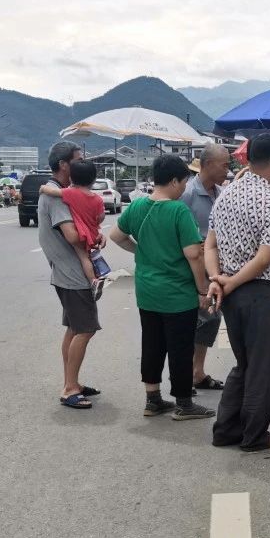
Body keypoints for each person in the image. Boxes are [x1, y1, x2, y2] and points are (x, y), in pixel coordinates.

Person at [107, 155, 215, 422]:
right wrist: (203, 290)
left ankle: (153, 399)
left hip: (147, 290)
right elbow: (193, 254)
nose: (184, 188)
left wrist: (140, 251)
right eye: (184, 182)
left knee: (152, 344)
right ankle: (184, 404)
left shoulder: (137, 206)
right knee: (180, 347)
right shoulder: (178, 211)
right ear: (175, 180)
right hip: (177, 294)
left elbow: (116, 236)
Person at [204, 133, 270, 452]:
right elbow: (266, 256)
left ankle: (226, 429)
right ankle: (255, 435)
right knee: (263, 366)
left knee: (244, 363)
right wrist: (232, 281)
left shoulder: (225, 195)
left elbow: (210, 245)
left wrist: (218, 278)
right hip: (259, 293)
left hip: (232, 293)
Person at [38, 140, 104, 410]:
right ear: (64, 165)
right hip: (73, 275)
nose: (81, 163)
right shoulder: (58, 196)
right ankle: (69, 388)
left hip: (67, 272)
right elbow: (72, 235)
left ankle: (72, 381)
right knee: (86, 329)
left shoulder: (61, 192)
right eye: (78, 159)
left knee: (74, 329)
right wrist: (93, 238)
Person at [181, 144, 231, 394]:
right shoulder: (187, 193)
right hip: (193, 268)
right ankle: (187, 373)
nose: (228, 169)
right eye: (224, 164)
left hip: (215, 267)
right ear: (207, 164)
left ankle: (196, 372)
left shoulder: (221, 192)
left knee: (210, 318)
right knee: (194, 320)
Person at [40, 159, 108, 298]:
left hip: (81, 233)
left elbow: (52, 192)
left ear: (71, 177)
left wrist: (42, 188)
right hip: (92, 232)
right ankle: (97, 275)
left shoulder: (70, 193)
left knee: (83, 256)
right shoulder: (97, 199)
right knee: (91, 256)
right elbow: (101, 217)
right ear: (94, 180)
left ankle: (93, 281)